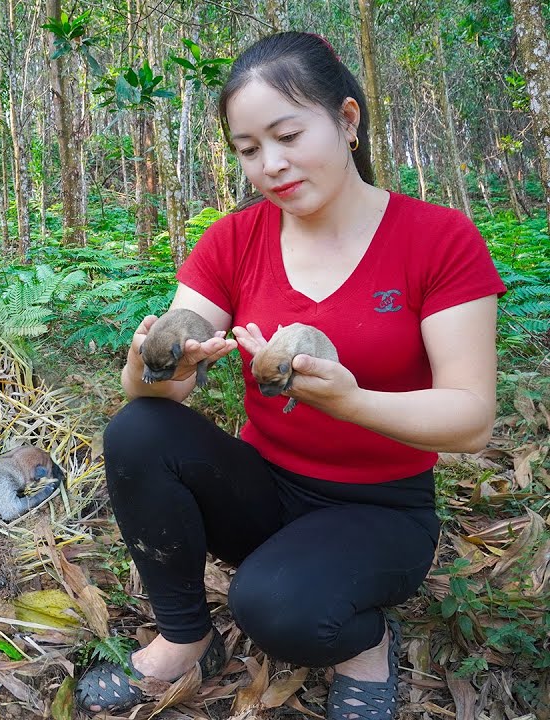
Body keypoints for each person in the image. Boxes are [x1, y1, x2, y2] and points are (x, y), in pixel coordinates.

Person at [74, 31, 505, 720]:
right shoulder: (234, 239)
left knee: (276, 609)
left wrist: (353, 402)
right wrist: (153, 358)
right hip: (266, 486)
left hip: (380, 508)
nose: (270, 165)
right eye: (249, 150)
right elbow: (162, 386)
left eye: (287, 135)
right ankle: (186, 637)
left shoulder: (438, 238)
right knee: (138, 430)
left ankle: (365, 643)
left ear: (347, 120)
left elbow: (472, 419)